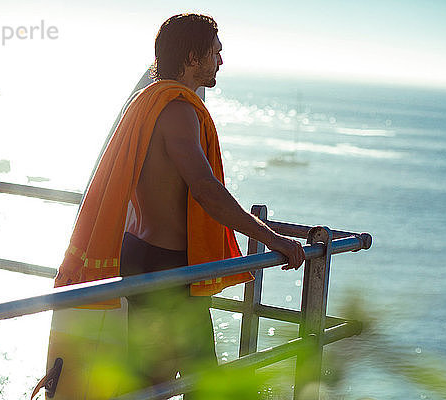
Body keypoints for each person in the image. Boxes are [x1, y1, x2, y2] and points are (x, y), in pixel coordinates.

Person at [45, 13, 305, 399]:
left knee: (151, 379)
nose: (221, 61)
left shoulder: (147, 101)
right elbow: (205, 189)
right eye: (215, 52)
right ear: (191, 56)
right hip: (167, 266)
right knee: (200, 382)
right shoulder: (178, 110)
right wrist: (271, 238)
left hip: (141, 254)